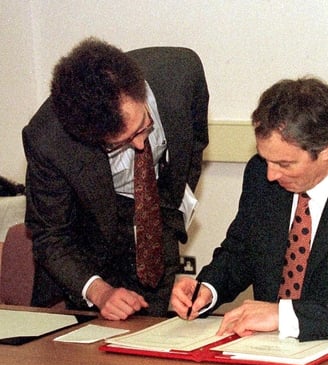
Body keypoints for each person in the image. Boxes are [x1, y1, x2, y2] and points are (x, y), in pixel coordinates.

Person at [170, 77, 328, 343]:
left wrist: (284, 316)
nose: (270, 174)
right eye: (265, 159)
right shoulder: (259, 174)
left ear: (326, 150)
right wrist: (208, 289)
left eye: (285, 164)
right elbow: (242, 251)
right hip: (263, 351)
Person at [23, 38, 209, 319]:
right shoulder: (48, 139)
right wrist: (99, 291)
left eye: (143, 126)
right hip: (89, 243)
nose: (139, 145)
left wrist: (166, 215)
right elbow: (50, 235)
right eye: (120, 143)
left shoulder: (181, 74)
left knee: (154, 337)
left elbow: (194, 146)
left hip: (155, 217)